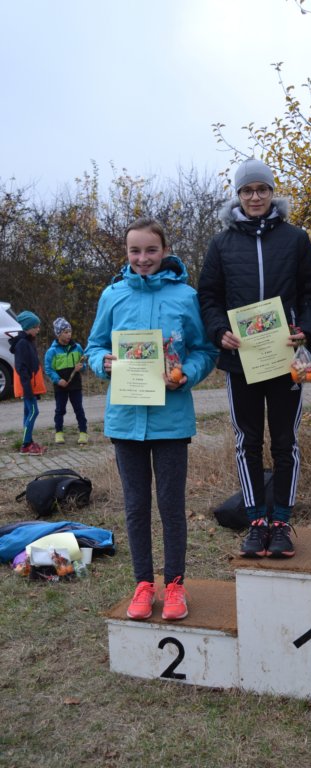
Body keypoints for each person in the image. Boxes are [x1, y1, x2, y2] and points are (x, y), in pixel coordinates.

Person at [86, 217, 217, 622]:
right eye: (135, 251)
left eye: (151, 250)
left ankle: (174, 585)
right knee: (136, 506)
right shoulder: (112, 295)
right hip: (126, 420)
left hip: (171, 420)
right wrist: (103, 362)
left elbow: (205, 350)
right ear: (126, 253)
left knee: (171, 506)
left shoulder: (186, 296)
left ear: (165, 251)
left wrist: (186, 374)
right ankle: (143, 584)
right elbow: (94, 346)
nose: (143, 258)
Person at [198, 158, 311, 558]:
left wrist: (307, 328)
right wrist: (219, 330)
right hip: (242, 360)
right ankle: (255, 522)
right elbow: (209, 296)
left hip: (286, 357)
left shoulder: (295, 238)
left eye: (262, 189)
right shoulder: (221, 243)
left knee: (285, 442)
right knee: (247, 441)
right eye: (248, 190)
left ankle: (281, 522)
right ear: (238, 195)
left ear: (272, 193)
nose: (255, 197)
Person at [44, 317, 88, 445]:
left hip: (75, 384)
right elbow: (48, 369)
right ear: (58, 334)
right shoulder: (52, 351)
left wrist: (81, 367)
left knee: (78, 408)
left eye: (70, 332)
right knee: (60, 410)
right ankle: (59, 432)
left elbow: (84, 364)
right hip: (60, 385)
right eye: (65, 332)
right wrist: (58, 380)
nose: (69, 335)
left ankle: (83, 432)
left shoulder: (77, 347)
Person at [9, 311, 47, 455]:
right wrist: (28, 390)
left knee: (28, 412)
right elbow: (22, 369)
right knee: (33, 412)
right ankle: (25, 445)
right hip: (27, 386)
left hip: (30, 386)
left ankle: (29, 442)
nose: (38, 329)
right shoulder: (22, 344)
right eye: (35, 327)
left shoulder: (28, 341)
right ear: (28, 327)